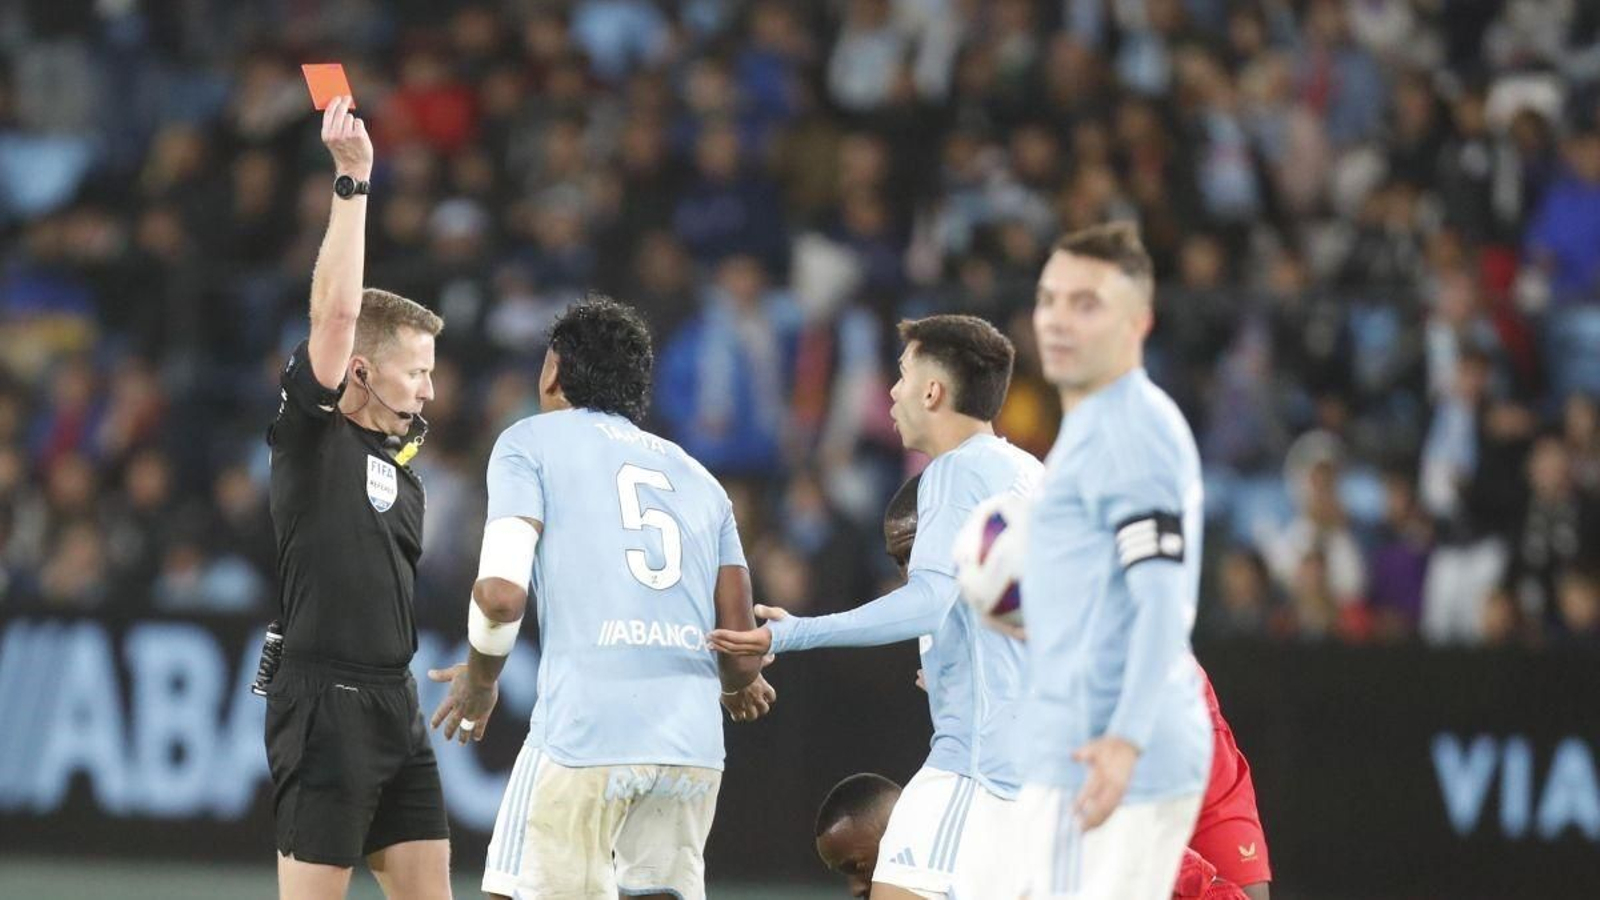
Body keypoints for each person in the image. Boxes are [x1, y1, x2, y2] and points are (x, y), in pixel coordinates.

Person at [427, 295, 774, 900]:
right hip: (691, 748)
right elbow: (742, 654)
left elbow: (501, 597)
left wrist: (482, 681)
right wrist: (737, 683)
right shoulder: (702, 480)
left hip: (585, 734)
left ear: (554, 370)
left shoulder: (529, 442)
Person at [710, 314, 1042, 900]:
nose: (890, 391)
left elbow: (927, 603)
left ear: (933, 391)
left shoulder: (954, 470)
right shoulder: (1032, 475)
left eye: (903, 373)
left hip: (978, 767)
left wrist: (792, 634)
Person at [261, 96, 450, 899]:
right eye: (418, 371)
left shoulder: (402, 464)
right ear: (362, 372)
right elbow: (336, 312)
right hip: (323, 705)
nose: (431, 387)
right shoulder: (313, 435)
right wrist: (353, 181)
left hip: (394, 707)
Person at [1018, 221, 1212, 899]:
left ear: (1139, 322)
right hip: (1083, 753)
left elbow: (1164, 601)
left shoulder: (1130, 435)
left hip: (1106, 762)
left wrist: (1125, 741)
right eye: (1049, 299)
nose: (1058, 321)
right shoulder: (1097, 424)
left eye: (1086, 304)